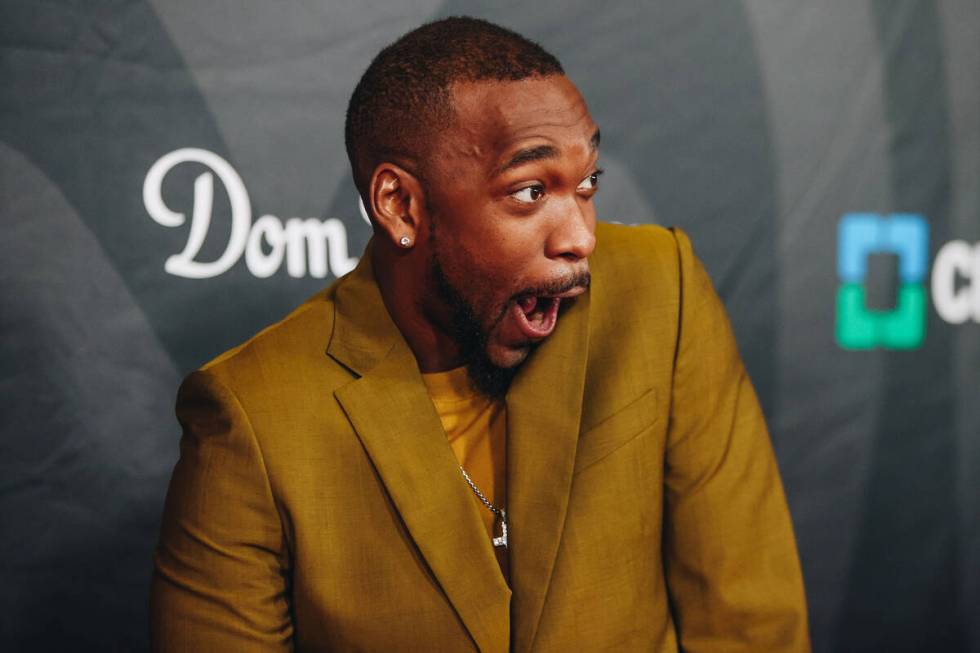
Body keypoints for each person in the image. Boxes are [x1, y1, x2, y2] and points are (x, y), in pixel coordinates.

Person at [150, 16, 810, 652]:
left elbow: (751, 624)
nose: (580, 236)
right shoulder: (251, 414)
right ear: (400, 205)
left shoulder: (659, 293)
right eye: (529, 191)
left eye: (586, 185)